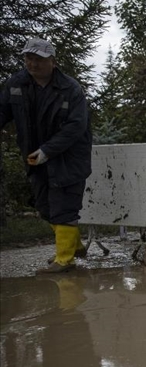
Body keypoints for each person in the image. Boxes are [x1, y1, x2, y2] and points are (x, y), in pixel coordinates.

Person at [0, 38, 92, 273]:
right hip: (34, 156)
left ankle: (64, 260)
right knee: (44, 206)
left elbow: (76, 125)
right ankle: (75, 246)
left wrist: (48, 151)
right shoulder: (16, 84)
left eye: (38, 59)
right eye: (28, 58)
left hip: (68, 158)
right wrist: (38, 153)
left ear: (52, 62)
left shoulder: (70, 89)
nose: (32, 64)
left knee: (64, 206)